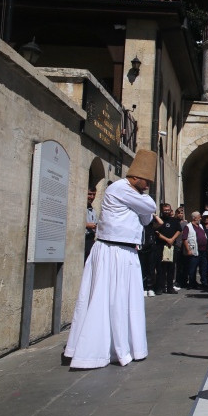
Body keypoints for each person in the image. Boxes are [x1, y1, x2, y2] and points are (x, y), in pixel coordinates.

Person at [63, 150, 157, 369]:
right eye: (146, 182)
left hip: (127, 252)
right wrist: (144, 203)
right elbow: (150, 209)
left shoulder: (134, 194)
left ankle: (124, 344)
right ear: (135, 177)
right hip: (111, 250)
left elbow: (145, 218)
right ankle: (94, 350)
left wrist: (143, 205)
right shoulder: (120, 188)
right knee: (105, 299)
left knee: (125, 301)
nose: (147, 187)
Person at [153, 203, 181, 295]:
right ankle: (159, 287)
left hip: (171, 246)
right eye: (165, 210)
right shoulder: (158, 221)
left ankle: (170, 287)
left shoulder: (174, 220)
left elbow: (179, 230)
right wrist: (167, 239)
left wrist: (172, 239)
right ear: (162, 210)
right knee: (161, 268)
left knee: (171, 268)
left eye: (168, 210)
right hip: (161, 246)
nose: (167, 212)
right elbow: (156, 232)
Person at [181, 211, 206, 289]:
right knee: (193, 268)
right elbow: (184, 239)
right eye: (199, 216)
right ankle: (192, 283)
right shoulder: (188, 226)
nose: (200, 218)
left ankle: (204, 283)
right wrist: (188, 250)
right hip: (194, 250)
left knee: (203, 268)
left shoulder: (201, 226)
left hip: (203, 250)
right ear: (194, 218)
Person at [85, 187, 98, 262]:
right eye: (90, 194)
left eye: (94, 195)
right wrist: (86, 225)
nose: (92, 197)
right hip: (83, 239)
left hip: (90, 239)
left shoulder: (93, 210)